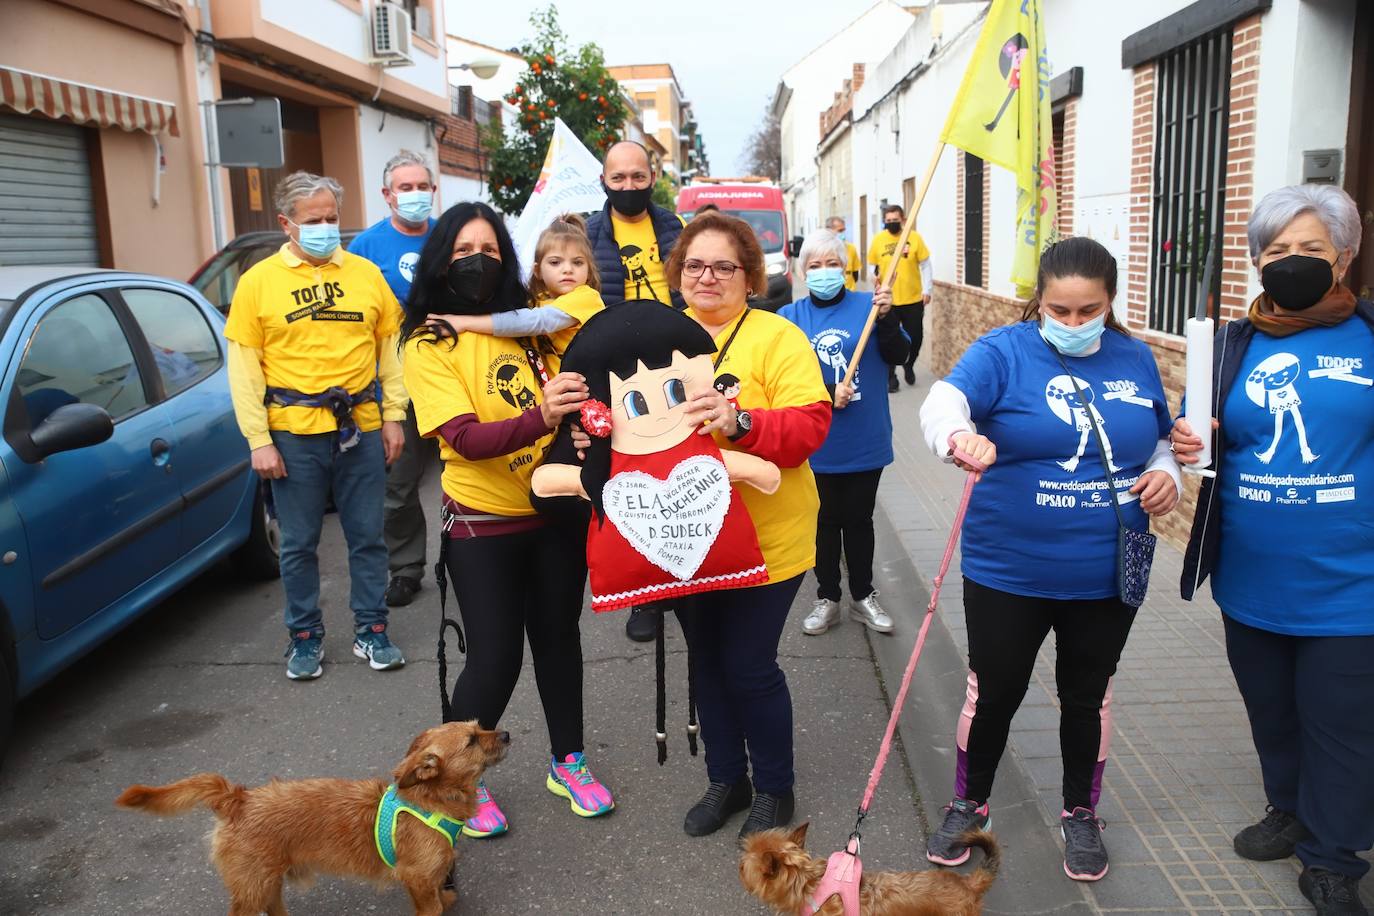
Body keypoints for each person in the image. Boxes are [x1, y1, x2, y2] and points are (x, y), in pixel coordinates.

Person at [917, 236, 1181, 881]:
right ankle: (968, 802)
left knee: (1086, 696)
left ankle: (1080, 814)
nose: (1070, 323)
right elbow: (940, 402)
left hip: (1105, 567)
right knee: (995, 691)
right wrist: (958, 436)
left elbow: (1157, 441)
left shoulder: (1136, 357)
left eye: (1086, 310)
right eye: (1058, 310)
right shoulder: (1003, 353)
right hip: (1009, 568)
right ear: (1039, 300)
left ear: (1110, 302)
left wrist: (1169, 470)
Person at [1173, 185, 1374, 916]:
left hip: (1354, 583)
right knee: (1274, 712)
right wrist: (1189, 438)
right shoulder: (1232, 344)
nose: (1292, 262)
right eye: (1277, 250)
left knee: (1343, 723)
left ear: (1345, 257)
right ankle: (1287, 809)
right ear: (1257, 260)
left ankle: (1333, 859)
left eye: (1312, 250)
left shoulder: (1371, 338)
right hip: (1253, 577)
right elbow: (1200, 435)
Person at [401, 202, 613, 840]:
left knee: (558, 640)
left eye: (491, 250)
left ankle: (567, 762)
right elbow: (464, 438)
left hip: (554, 510)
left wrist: (577, 433)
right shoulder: (429, 341)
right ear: (441, 258)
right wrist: (543, 419)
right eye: (463, 250)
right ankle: (453, 781)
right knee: (495, 657)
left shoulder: (533, 325)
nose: (478, 261)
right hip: (483, 521)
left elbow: (580, 393)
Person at [661, 212, 831, 839]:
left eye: (724, 266)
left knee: (749, 663)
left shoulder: (775, 338)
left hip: (768, 536)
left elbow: (811, 427)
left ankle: (775, 790)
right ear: (678, 273)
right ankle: (726, 778)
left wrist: (741, 423)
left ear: (750, 277)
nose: (707, 277)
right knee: (706, 660)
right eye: (695, 265)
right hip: (684, 537)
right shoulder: (657, 336)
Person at [224, 171, 408, 681]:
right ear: (287, 224)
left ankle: (372, 629)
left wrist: (394, 416)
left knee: (368, 537)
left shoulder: (366, 275)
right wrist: (258, 440)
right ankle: (304, 637)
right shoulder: (258, 283)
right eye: (314, 221)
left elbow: (388, 351)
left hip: (362, 426)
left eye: (332, 219)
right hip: (293, 433)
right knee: (300, 542)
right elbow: (244, 367)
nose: (326, 228)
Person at [779, 229, 906, 636]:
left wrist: (888, 319)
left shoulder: (870, 307)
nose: (823, 272)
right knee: (823, 521)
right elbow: (780, 378)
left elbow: (898, 355)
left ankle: (863, 595)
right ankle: (827, 596)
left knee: (859, 520)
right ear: (803, 272)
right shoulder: (790, 318)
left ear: (845, 268)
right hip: (815, 441)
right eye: (814, 266)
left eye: (831, 264)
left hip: (864, 438)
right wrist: (823, 391)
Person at [585, 139, 688, 641]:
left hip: (668, 365)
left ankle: (683, 573)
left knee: (672, 467)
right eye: (618, 178)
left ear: (653, 177)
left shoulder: (674, 228)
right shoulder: (586, 232)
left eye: (638, 177)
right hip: (612, 370)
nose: (629, 186)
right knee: (625, 479)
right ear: (604, 180)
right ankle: (644, 593)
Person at [347, 150, 438, 608]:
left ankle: (471, 557)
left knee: (470, 474)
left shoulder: (454, 236)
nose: (415, 195)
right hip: (397, 388)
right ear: (387, 195)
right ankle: (405, 568)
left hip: (453, 376)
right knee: (398, 487)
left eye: (423, 186)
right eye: (406, 188)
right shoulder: (363, 250)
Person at [868, 204, 932, 391]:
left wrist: (927, 290)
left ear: (903, 219)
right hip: (889, 301)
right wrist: (875, 277)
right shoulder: (879, 240)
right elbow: (873, 265)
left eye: (895, 220)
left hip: (913, 298)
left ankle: (909, 364)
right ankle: (891, 376)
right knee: (889, 339)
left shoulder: (914, 238)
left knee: (916, 338)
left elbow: (926, 265)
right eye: (888, 221)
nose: (892, 224)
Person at [825, 216, 863, 291]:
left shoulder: (851, 248)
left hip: (850, 292)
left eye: (844, 230)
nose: (843, 233)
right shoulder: (823, 250)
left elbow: (855, 274)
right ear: (829, 231)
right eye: (840, 230)